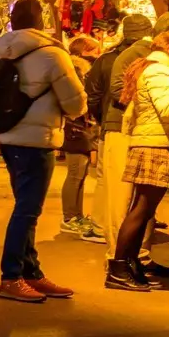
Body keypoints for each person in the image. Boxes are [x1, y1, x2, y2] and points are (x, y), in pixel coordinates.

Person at [0, 0, 87, 303]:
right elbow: (75, 102)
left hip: (8, 137)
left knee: (25, 208)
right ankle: (11, 276)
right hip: (36, 140)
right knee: (27, 211)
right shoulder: (52, 54)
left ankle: (32, 271)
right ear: (41, 20)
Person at [108, 29, 169, 291]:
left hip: (155, 143)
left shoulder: (156, 70)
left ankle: (129, 264)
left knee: (143, 211)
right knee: (141, 210)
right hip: (155, 146)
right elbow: (168, 110)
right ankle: (118, 269)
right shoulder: (161, 72)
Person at [98, 11, 169, 254]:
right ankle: (118, 260)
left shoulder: (161, 64)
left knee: (143, 206)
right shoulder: (150, 63)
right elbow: (120, 91)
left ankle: (139, 258)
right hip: (131, 131)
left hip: (148, 132)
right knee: (127, 202)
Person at [87, 13, 153, 252]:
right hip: (127, 127)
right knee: (135, 192)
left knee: (111, 187)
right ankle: (123, 254)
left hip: (111, 127)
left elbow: (92, 95)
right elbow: (113, 92)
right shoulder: (143, 57)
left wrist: (100, 119)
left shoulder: (106, 59)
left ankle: (107, 235)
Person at [60, 35, 102, 241]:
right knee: (75, 174)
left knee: (81, 174)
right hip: (75, 129)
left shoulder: (82, 71)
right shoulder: (76, 71)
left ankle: (76, 214)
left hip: (82, 129)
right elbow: (76, 99)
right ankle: (69, 217)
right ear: (81, 52)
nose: (97, 55)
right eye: (93, 51)